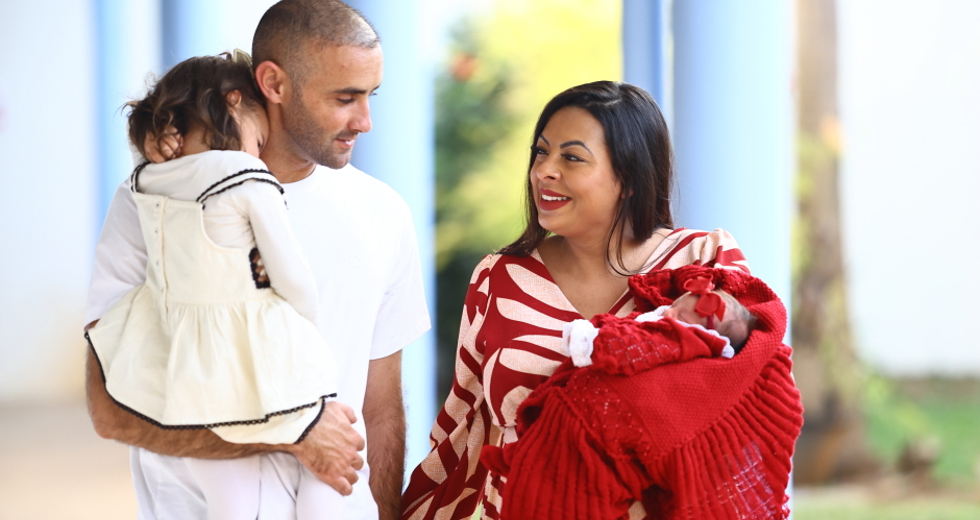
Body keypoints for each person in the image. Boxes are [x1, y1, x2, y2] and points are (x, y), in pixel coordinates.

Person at [84, 2, 430, 519]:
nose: (366, 121)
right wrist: (292, 433)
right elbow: (109, 408)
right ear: (273, 82)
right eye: (345, 98)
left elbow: (380, 413)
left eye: (370, 96)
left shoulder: (384, 213)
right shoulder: (155, 203)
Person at [401, 81, 749, 520]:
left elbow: (745, 409)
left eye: (571, 157)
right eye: (540, 152)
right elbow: (463, 427)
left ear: (629, 177)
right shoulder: (497, 277)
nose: (544, 171)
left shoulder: (703, 261)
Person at [86, 51, 348, 519]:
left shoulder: (144, 182)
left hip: (186, 361)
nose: (258, 152)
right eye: (259, 138)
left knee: (230, 500)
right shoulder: (245, 175)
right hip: (252, 347)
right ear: (234, 101)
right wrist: (302, 326)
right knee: (329, 490)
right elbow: (294, 279)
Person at [479, 265, 803, 519]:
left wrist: (593, 341)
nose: (670, 313)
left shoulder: (691, 322)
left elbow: (638, 349)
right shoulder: (497, 273)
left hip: (595, 448)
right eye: (674, 306)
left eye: (680, 313)